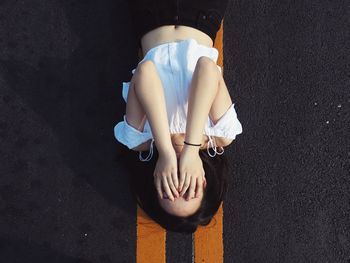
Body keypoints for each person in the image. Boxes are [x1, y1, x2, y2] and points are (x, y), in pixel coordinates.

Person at [114, 0, 243, 233]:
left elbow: (145, 72)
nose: (180, 180)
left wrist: (164, 151)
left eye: (171, 190)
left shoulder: (139, 140)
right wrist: (192, 148)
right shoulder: (221, 135)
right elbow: (206, 68)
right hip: (202, 13)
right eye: (189, 189)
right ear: (203, 181)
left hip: (149, 14)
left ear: (156, 181)